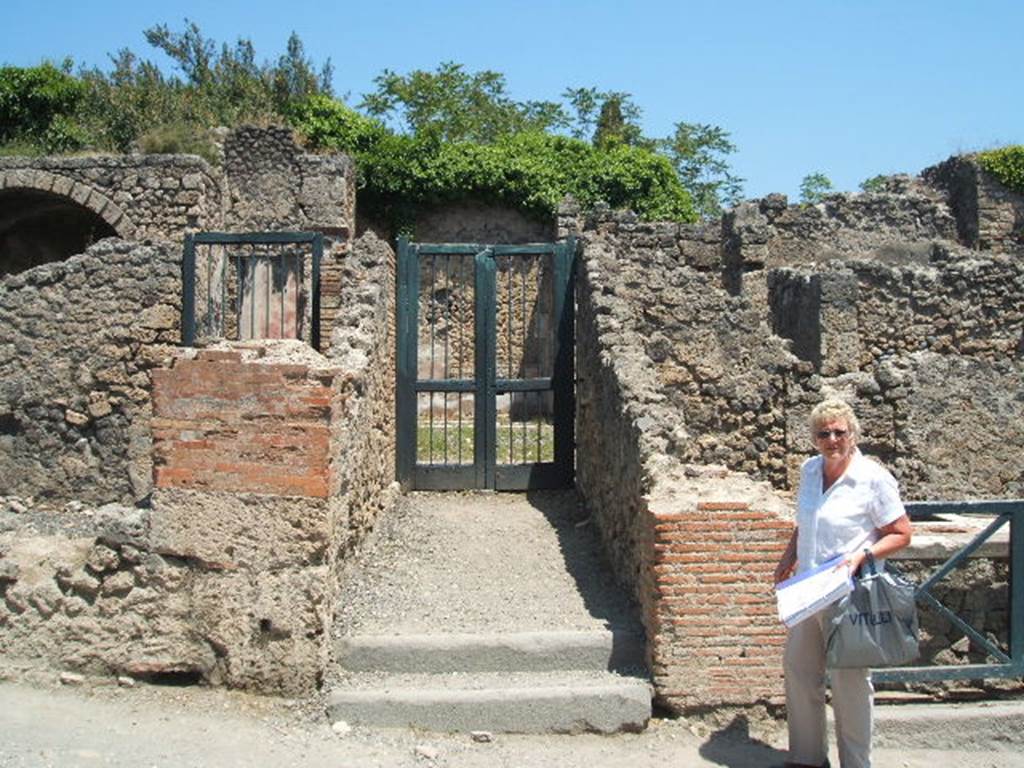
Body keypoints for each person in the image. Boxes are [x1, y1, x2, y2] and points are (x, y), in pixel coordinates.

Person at [773, 398, 912, 768]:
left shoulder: (872, 477)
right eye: (824, 433)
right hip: (808, 590)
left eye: (839, 431)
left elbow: (901, 534)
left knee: (850, 683)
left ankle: (856, 763)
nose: (832, 439)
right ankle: (806, 758)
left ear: (852, 433)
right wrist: (789, 557)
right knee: (800, 671)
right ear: (814, 438)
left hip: (849, 593)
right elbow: (807, 520)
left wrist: (861, 556)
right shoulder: (809, 470)